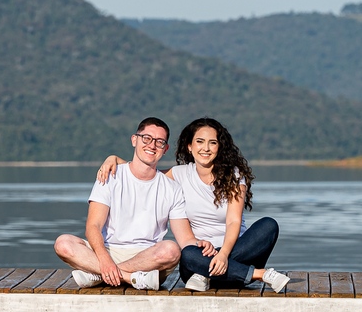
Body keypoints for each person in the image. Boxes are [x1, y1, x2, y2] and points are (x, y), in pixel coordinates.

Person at [96, 117, 289, 293]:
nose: (206, 148)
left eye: (212, 143)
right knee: (187, 254)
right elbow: (144, 169)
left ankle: (210, 275)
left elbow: (233, 221)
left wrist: (223, 255)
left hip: (237, 251)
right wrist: (114, 159)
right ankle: (259, 274)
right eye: (200, 142)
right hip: (199, 256)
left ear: (219, 147)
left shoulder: (234, 175)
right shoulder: (179, 174)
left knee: (268, 225)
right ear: (189, 146)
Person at [53, 117, 186, 290]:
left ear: (165, 149)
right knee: (63, 243)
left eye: (159, 142)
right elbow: (93, 226)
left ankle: (97, 275)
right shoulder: (109, 174)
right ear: (134, 140)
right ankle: (130, 278)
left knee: (171, 250)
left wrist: (205, 248)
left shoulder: (172, 188)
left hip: (147, 258)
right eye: (146, 138)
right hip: (108, 250)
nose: (152, 145)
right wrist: (104, 260)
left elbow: (183, 238)